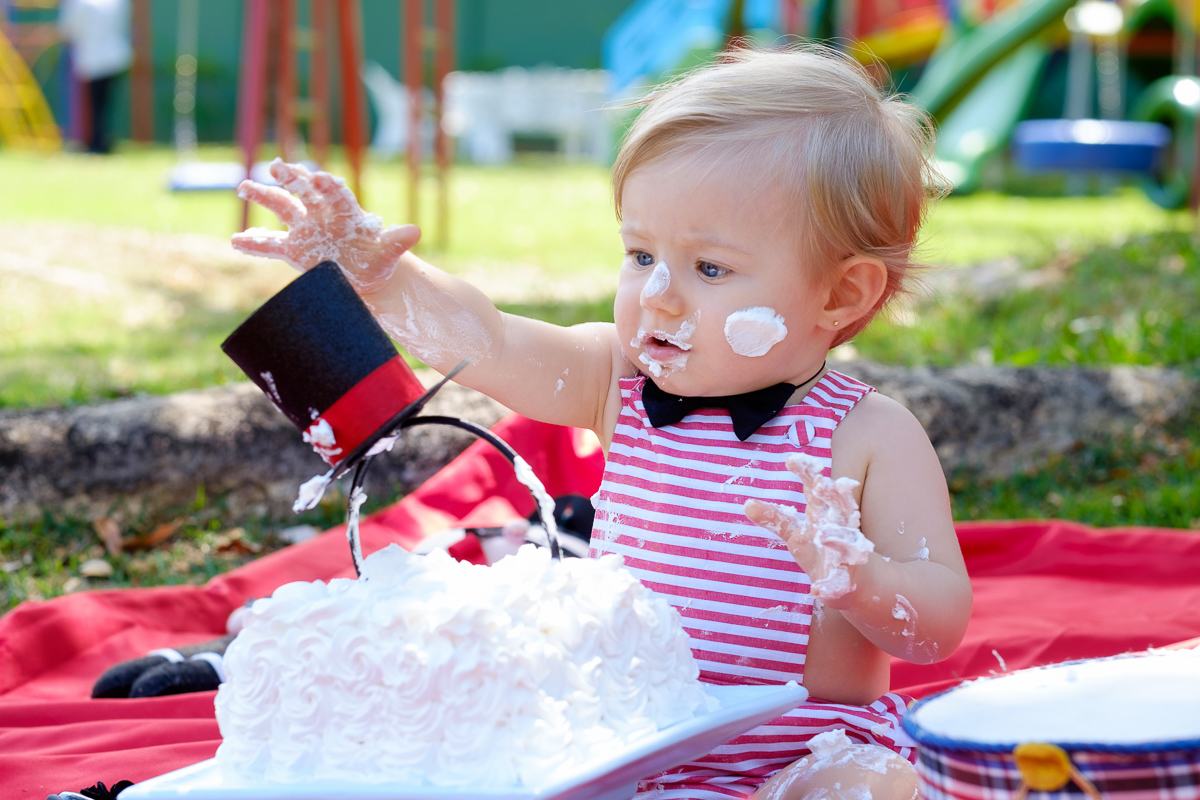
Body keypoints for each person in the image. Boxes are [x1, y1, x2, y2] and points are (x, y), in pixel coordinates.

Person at [233, 46, 973, 800]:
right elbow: (490, 342)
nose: (659, 296)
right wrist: (384, 279)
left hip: (804, 753)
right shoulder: (616, 378)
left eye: (708, 269)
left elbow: (937, 624)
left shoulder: (870, 437)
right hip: (626, 745)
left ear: (841, 296)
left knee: (872, 786)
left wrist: (862, 581)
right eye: (641, 253)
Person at [58, 0, 131, 155]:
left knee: (96, 105)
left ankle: (96, 143)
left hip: (94, 58)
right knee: (104, 105)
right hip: (115, 56)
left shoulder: (78, 4)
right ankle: (100, 141)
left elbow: (68, 30)